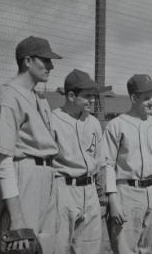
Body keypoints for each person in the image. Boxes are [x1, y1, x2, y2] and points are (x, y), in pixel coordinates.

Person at [0, 36, 61, 253]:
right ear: (27, 61)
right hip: (24, 175)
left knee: (47, 246)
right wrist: (17, 217)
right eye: (45, 60)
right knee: (22, 244)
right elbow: (3, 161)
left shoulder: (39, 97)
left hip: (47, 176)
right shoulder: (8, 97)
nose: (51, 66)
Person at [103, 74, 152, 254]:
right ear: (133, 98)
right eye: (146, 98)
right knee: (125, 249)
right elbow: (107, 165)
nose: (151, 102)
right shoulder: (116, 125)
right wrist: (113, 200)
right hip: (127, 193)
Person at [51, 69, 108, 254]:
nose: (93, 100)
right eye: (87, 96)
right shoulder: (52, 120)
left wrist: (101, 197)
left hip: (90, 190)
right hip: (62, 188)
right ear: (71, 95)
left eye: (94, 95)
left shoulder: (92, 122)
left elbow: (101, 163)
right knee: (58, 248)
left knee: (90, 248)